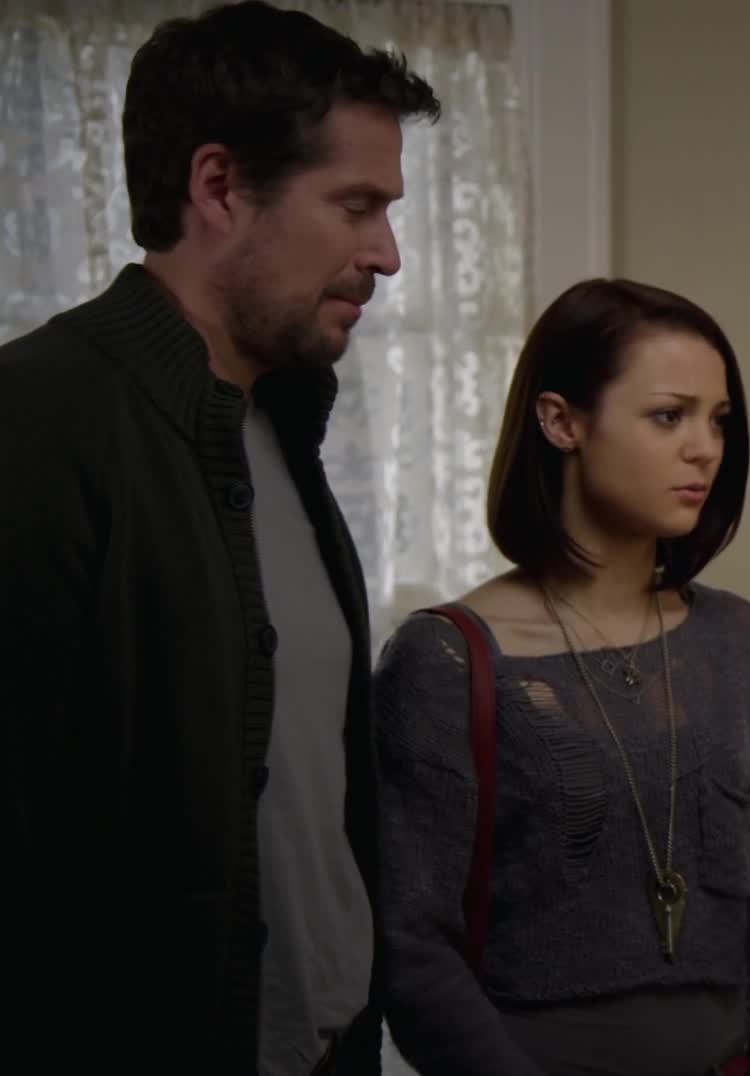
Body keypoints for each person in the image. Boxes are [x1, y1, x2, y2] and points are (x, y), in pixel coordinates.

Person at [0, 4, 439, 1073]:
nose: (385, 255)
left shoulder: (278, 423)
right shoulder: (37, 422)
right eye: (355, 206)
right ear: (218, 186)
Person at [372, 278, 750, 1076]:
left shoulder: (735, 639)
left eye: (718, 420)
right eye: (669, 416)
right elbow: (412, 950)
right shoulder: (446, 658)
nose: (706, 448)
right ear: (562, 422)